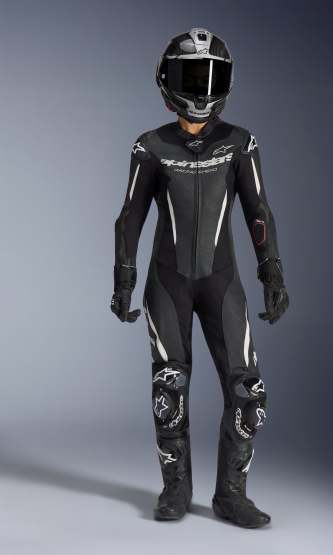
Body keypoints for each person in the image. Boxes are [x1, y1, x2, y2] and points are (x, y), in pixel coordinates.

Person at [110, 27, 289, 528]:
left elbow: (259, 211)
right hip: (168, 284)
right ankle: (176, 488)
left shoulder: (240, 143)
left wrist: (271, 272)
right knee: (169, 389)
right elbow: (130, 217)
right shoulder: (149, 146)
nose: (200, 90)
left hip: (221, 283)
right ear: (166, 80)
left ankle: (231, 494)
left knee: (248, 394)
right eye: (189, 76)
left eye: (210, 76)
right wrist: (124, 279)